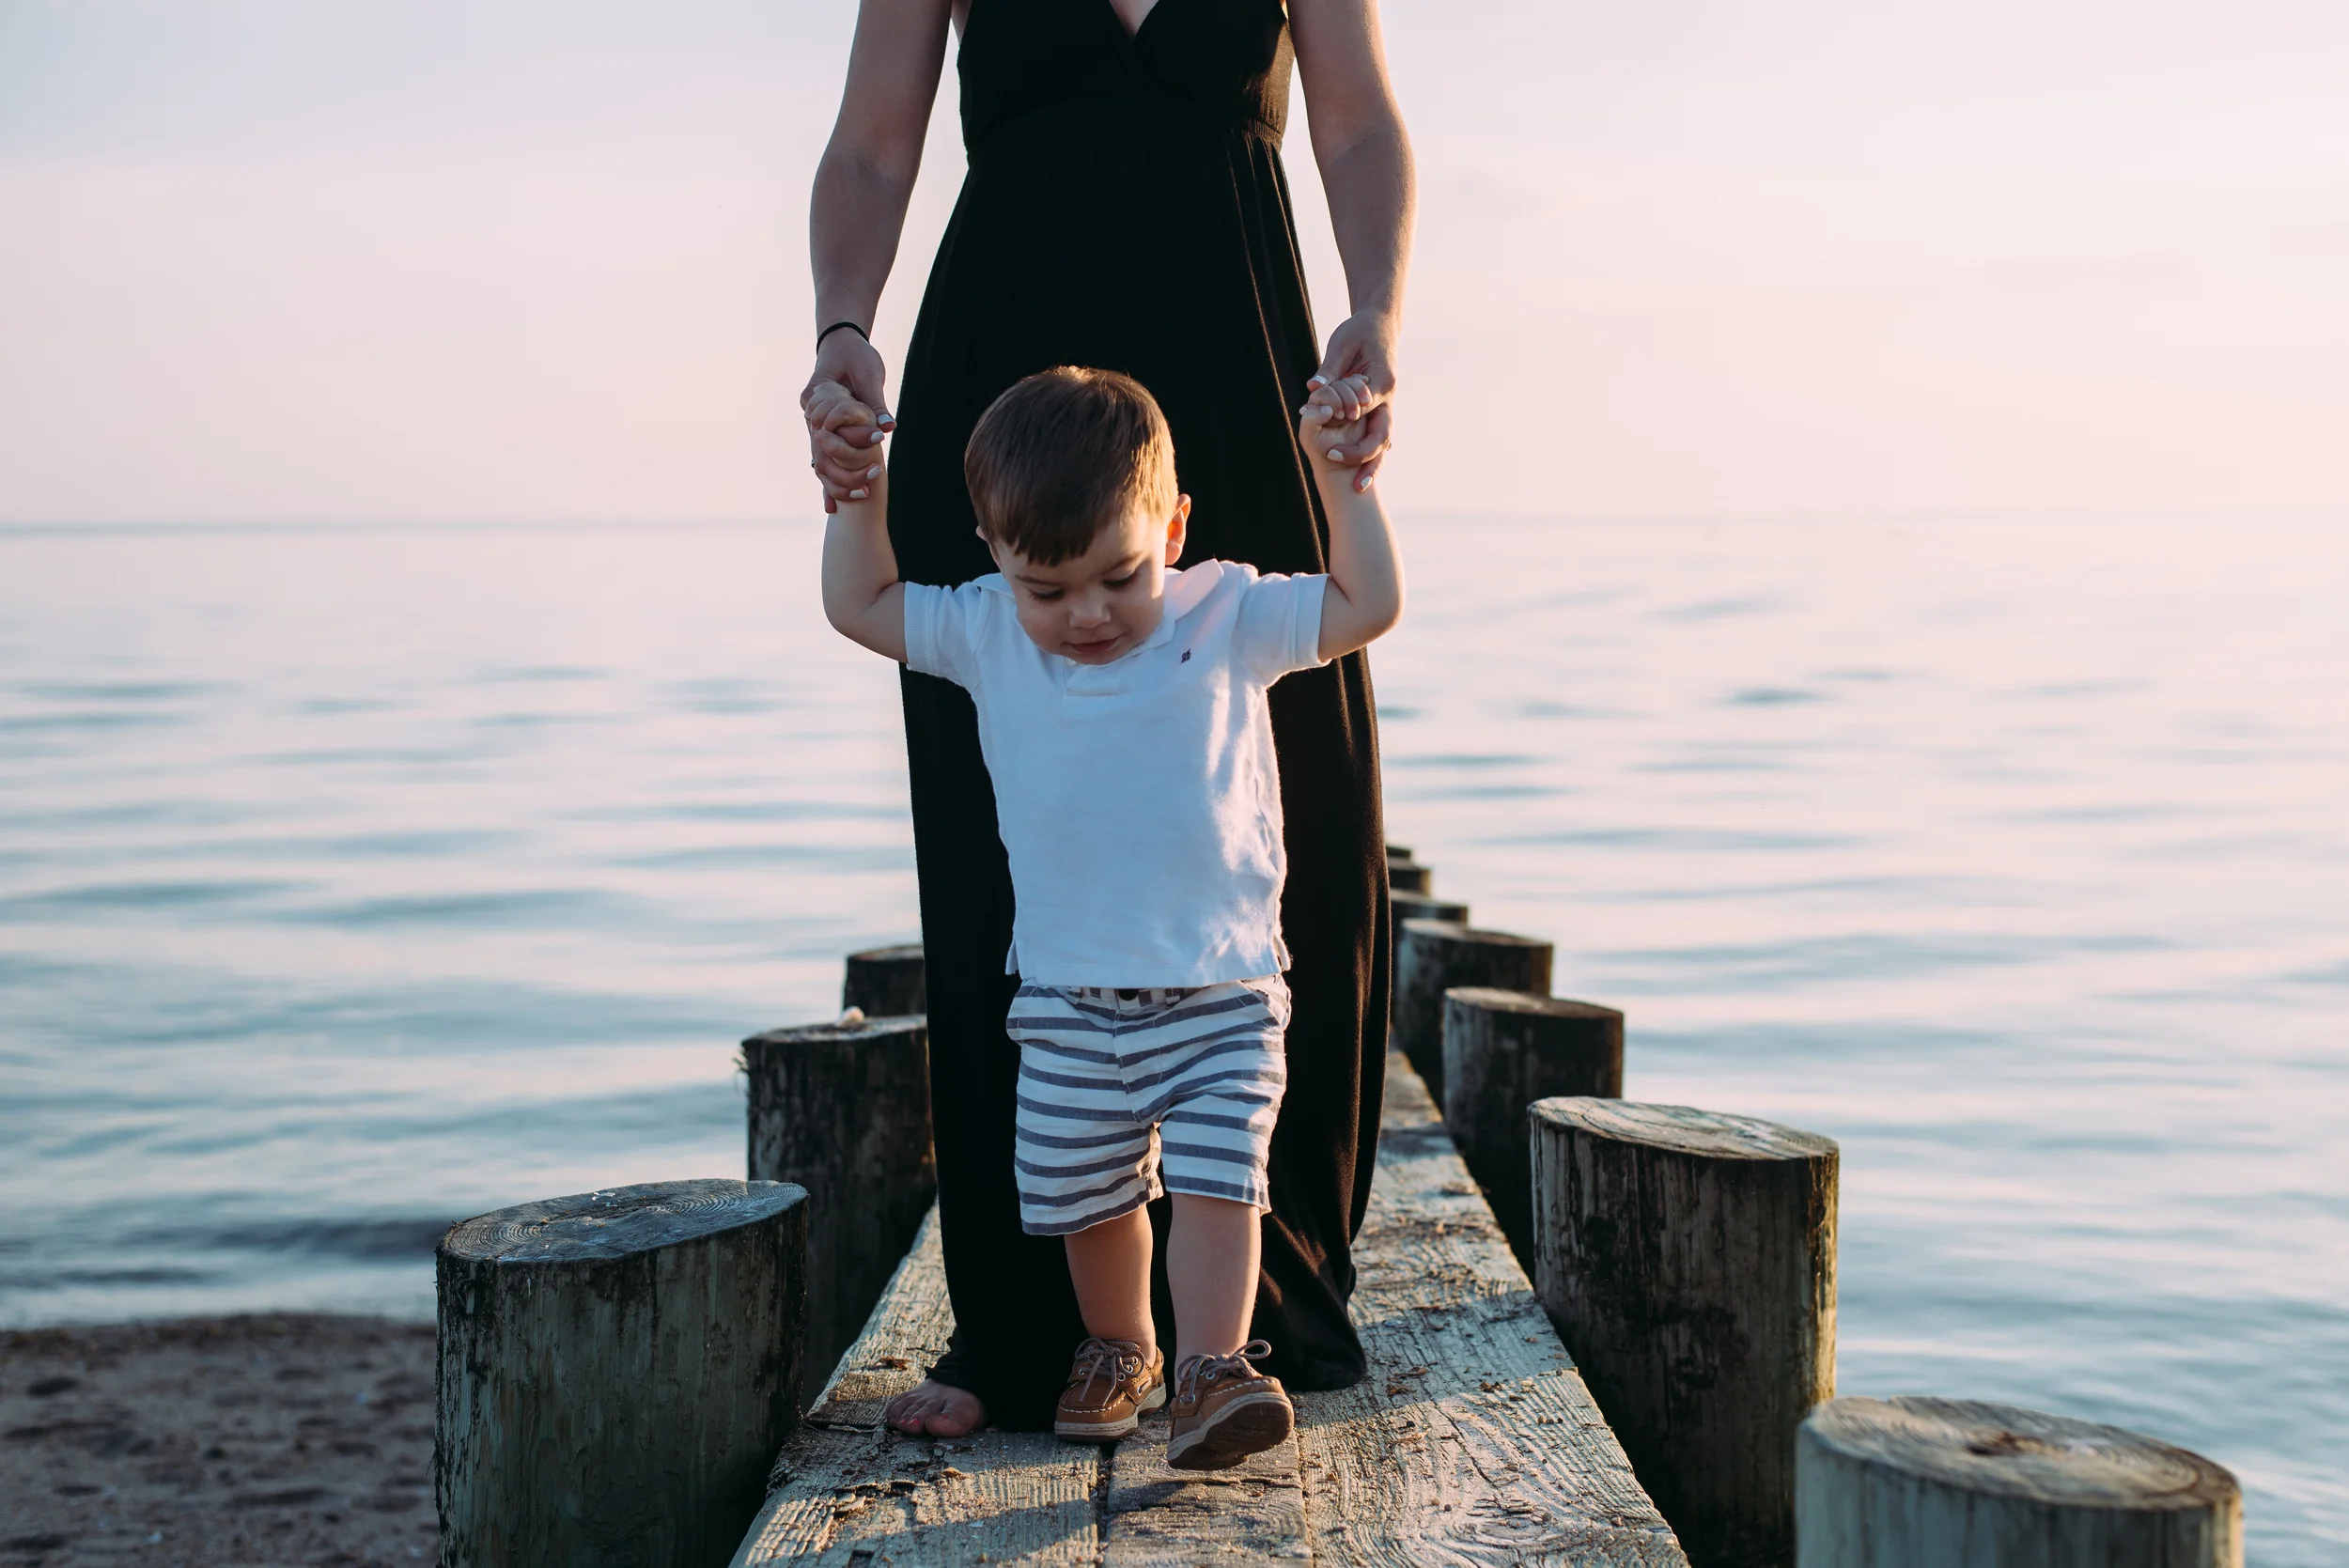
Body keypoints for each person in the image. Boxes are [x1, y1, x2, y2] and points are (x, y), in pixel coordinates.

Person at [804, 0, 1414, 1435]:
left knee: (1302, 788)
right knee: (991, 812)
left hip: (1245, 342)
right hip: (1007, 358)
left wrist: (1376, 311)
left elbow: (1363, 118)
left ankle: (1263, 1308)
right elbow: (873, 142)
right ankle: (1028, 1325)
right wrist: (843, 332)